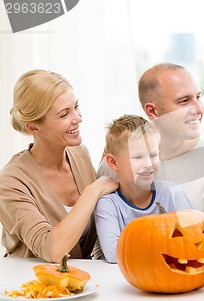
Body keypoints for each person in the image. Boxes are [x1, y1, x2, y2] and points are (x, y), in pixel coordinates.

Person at [0, 69, 118, 262]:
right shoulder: (10, 182)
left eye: (76, 107)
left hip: (80, 281)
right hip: (31, 285)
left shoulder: (80, 154)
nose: (78, 118)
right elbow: (53, 250)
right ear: (33, 127)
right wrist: (94, 190)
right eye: (64, 114)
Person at [98, 63, 204, 219]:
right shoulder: (115, 164)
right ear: (152, 111)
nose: (199, 109)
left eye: (198, 97)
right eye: (184, 101)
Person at [94, 115, 191, 263]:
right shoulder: (108, 204)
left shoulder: (172, 193)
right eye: (137, 157)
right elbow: (114, 254)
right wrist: (168, 246)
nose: (148, 164)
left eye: (153, 155)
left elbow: (192, 239)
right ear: (113, 162)